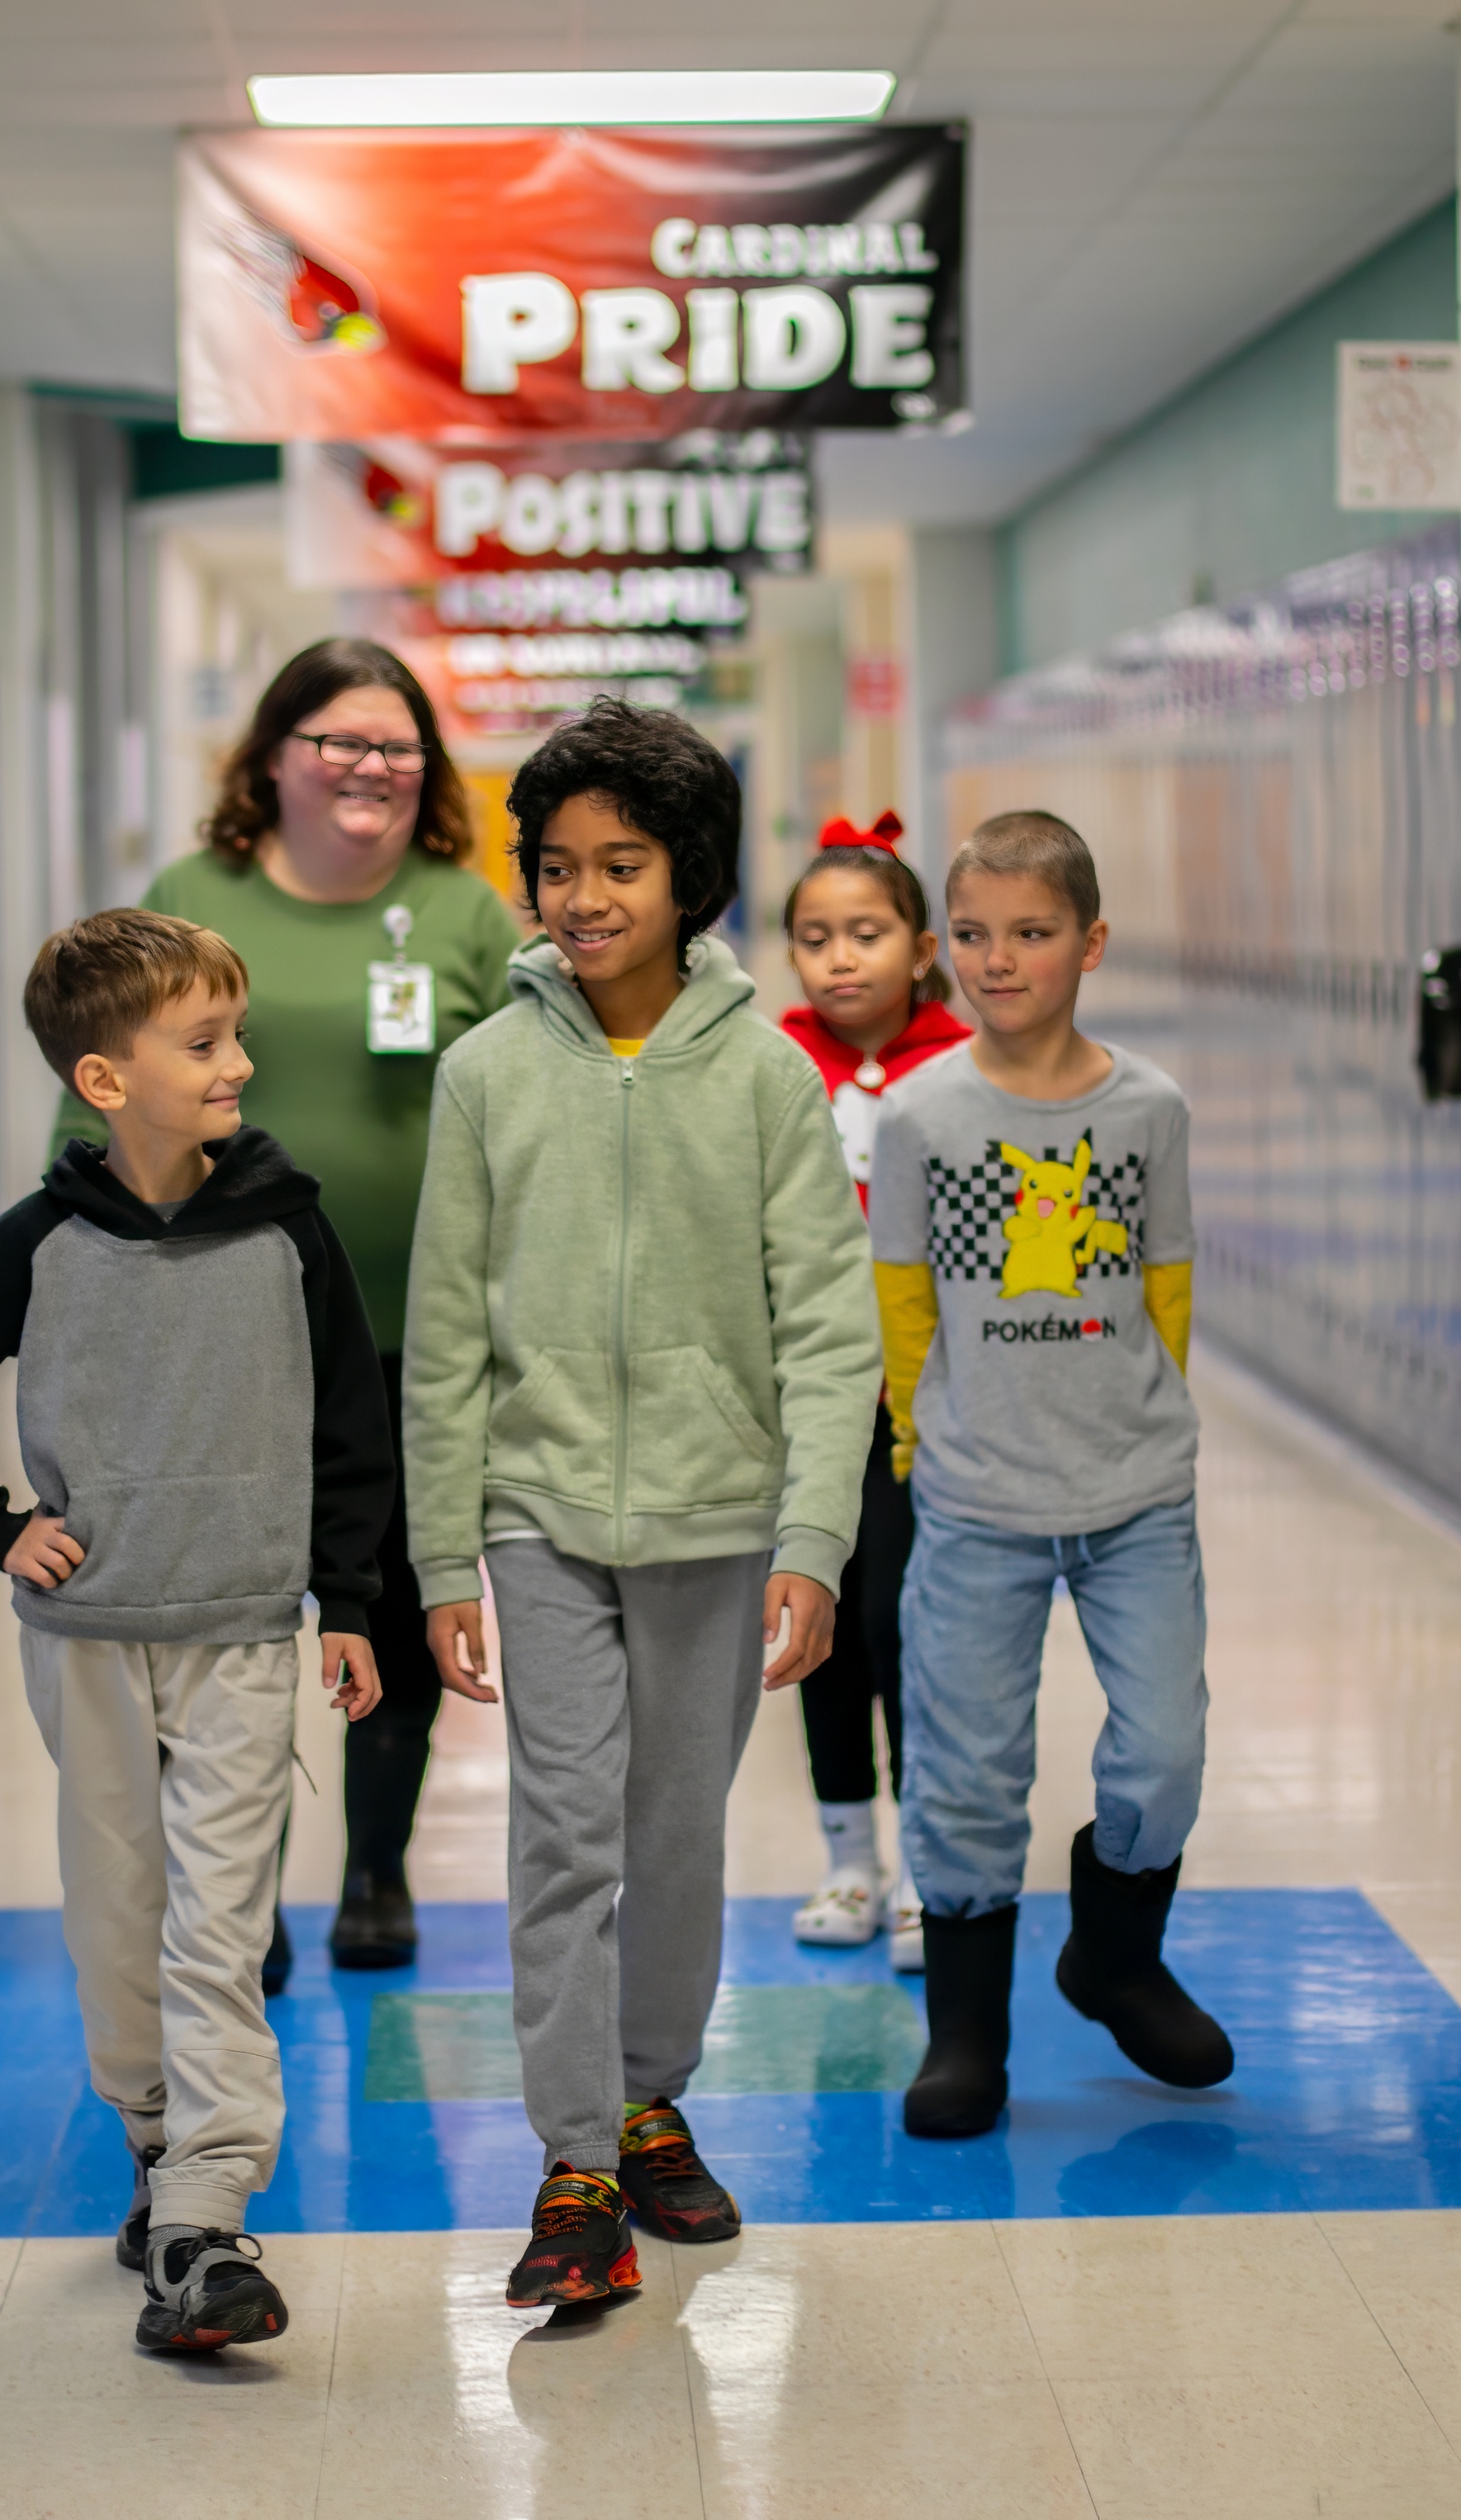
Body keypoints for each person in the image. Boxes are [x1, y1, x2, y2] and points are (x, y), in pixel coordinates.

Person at [401, 697, 875, 2306]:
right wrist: (438, 1548)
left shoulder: (761, 1077)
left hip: (713, 1505)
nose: (585, 894)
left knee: (672, 1830)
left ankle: (648, 2092)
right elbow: (446, 1322)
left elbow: (826, 1323)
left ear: (690, 876)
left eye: (622, 862)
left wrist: (811, 1539)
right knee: (561, 1828)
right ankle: (572, 2156)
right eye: (555, 865)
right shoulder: (483, 1072)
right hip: (539, 1509)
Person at [0, 909, 393, 2354]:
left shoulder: (290, 1226)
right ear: (106, 1080)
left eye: (236, 1036)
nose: (239, 1063)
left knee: (220, 1929)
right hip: (90, 1631)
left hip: (240, 1628)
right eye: (206, 1042)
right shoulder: (42, 1241)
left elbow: (354, 1423)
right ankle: (160, 2145)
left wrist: (343, 1601)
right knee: (118, 1916)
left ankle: (209, 2219)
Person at [62, 638, 517, 1981]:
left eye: (396, 745)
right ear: (273, 755)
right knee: (231, 1607)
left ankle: (377, 1867)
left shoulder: (463, 911)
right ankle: (236, 1889)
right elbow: (103, 1076)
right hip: (222, 1319)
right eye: (338, 741)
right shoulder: (193, 897)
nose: (368, 768)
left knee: (384, 1592)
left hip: (415, 1324)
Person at [871, 811, 1236, 2141]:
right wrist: (923, 1445)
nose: (998, 960)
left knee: (1167, 1746)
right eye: (971, 935)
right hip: (976, 1500)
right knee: (966, 1772)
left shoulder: (1147, 1108)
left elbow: (1169, 1283)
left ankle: (1114, 1955)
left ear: (1092, 943)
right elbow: (904, 1301)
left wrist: (1158, 1424)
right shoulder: (922, 1114)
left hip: (1136, 1489)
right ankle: (968, 2034)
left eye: (1030, 934)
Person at [776, 814, 971, 1971]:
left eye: (866, 933)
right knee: (820, 1626)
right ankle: (848, 1859)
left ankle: (921, 1869)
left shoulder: (961, 1058)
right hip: (808, 1394)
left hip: (927, 1396)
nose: (841, 958)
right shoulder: (773, 1063)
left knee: (912, 1625)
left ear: (921, 945)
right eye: (815, 937)